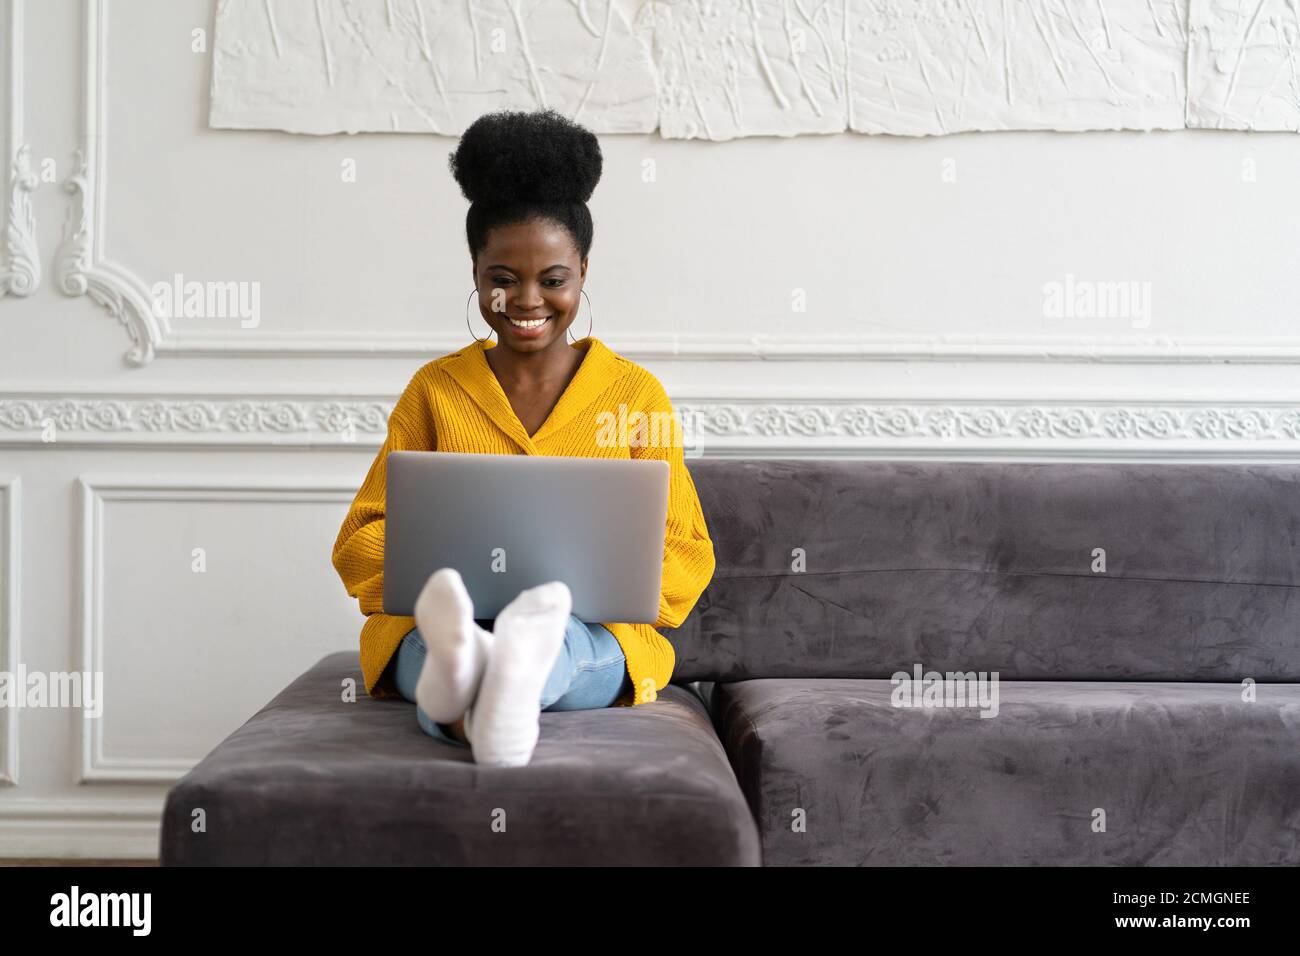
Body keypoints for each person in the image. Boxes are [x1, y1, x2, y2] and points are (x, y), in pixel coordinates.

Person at [331, 108, 716, 767]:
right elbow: (363, 535)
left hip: (586, 630)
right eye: (501, 280)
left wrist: (602, 588)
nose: (527, 300)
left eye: (553, 279)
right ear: (476, 274)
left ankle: (488, 682)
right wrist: (429, 587)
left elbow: (685, 550)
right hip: (444, 622)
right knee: (431, 645)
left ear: (583, 272)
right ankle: (485, 674)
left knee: (557, 643)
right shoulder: (436, 390)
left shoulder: (634, 396)